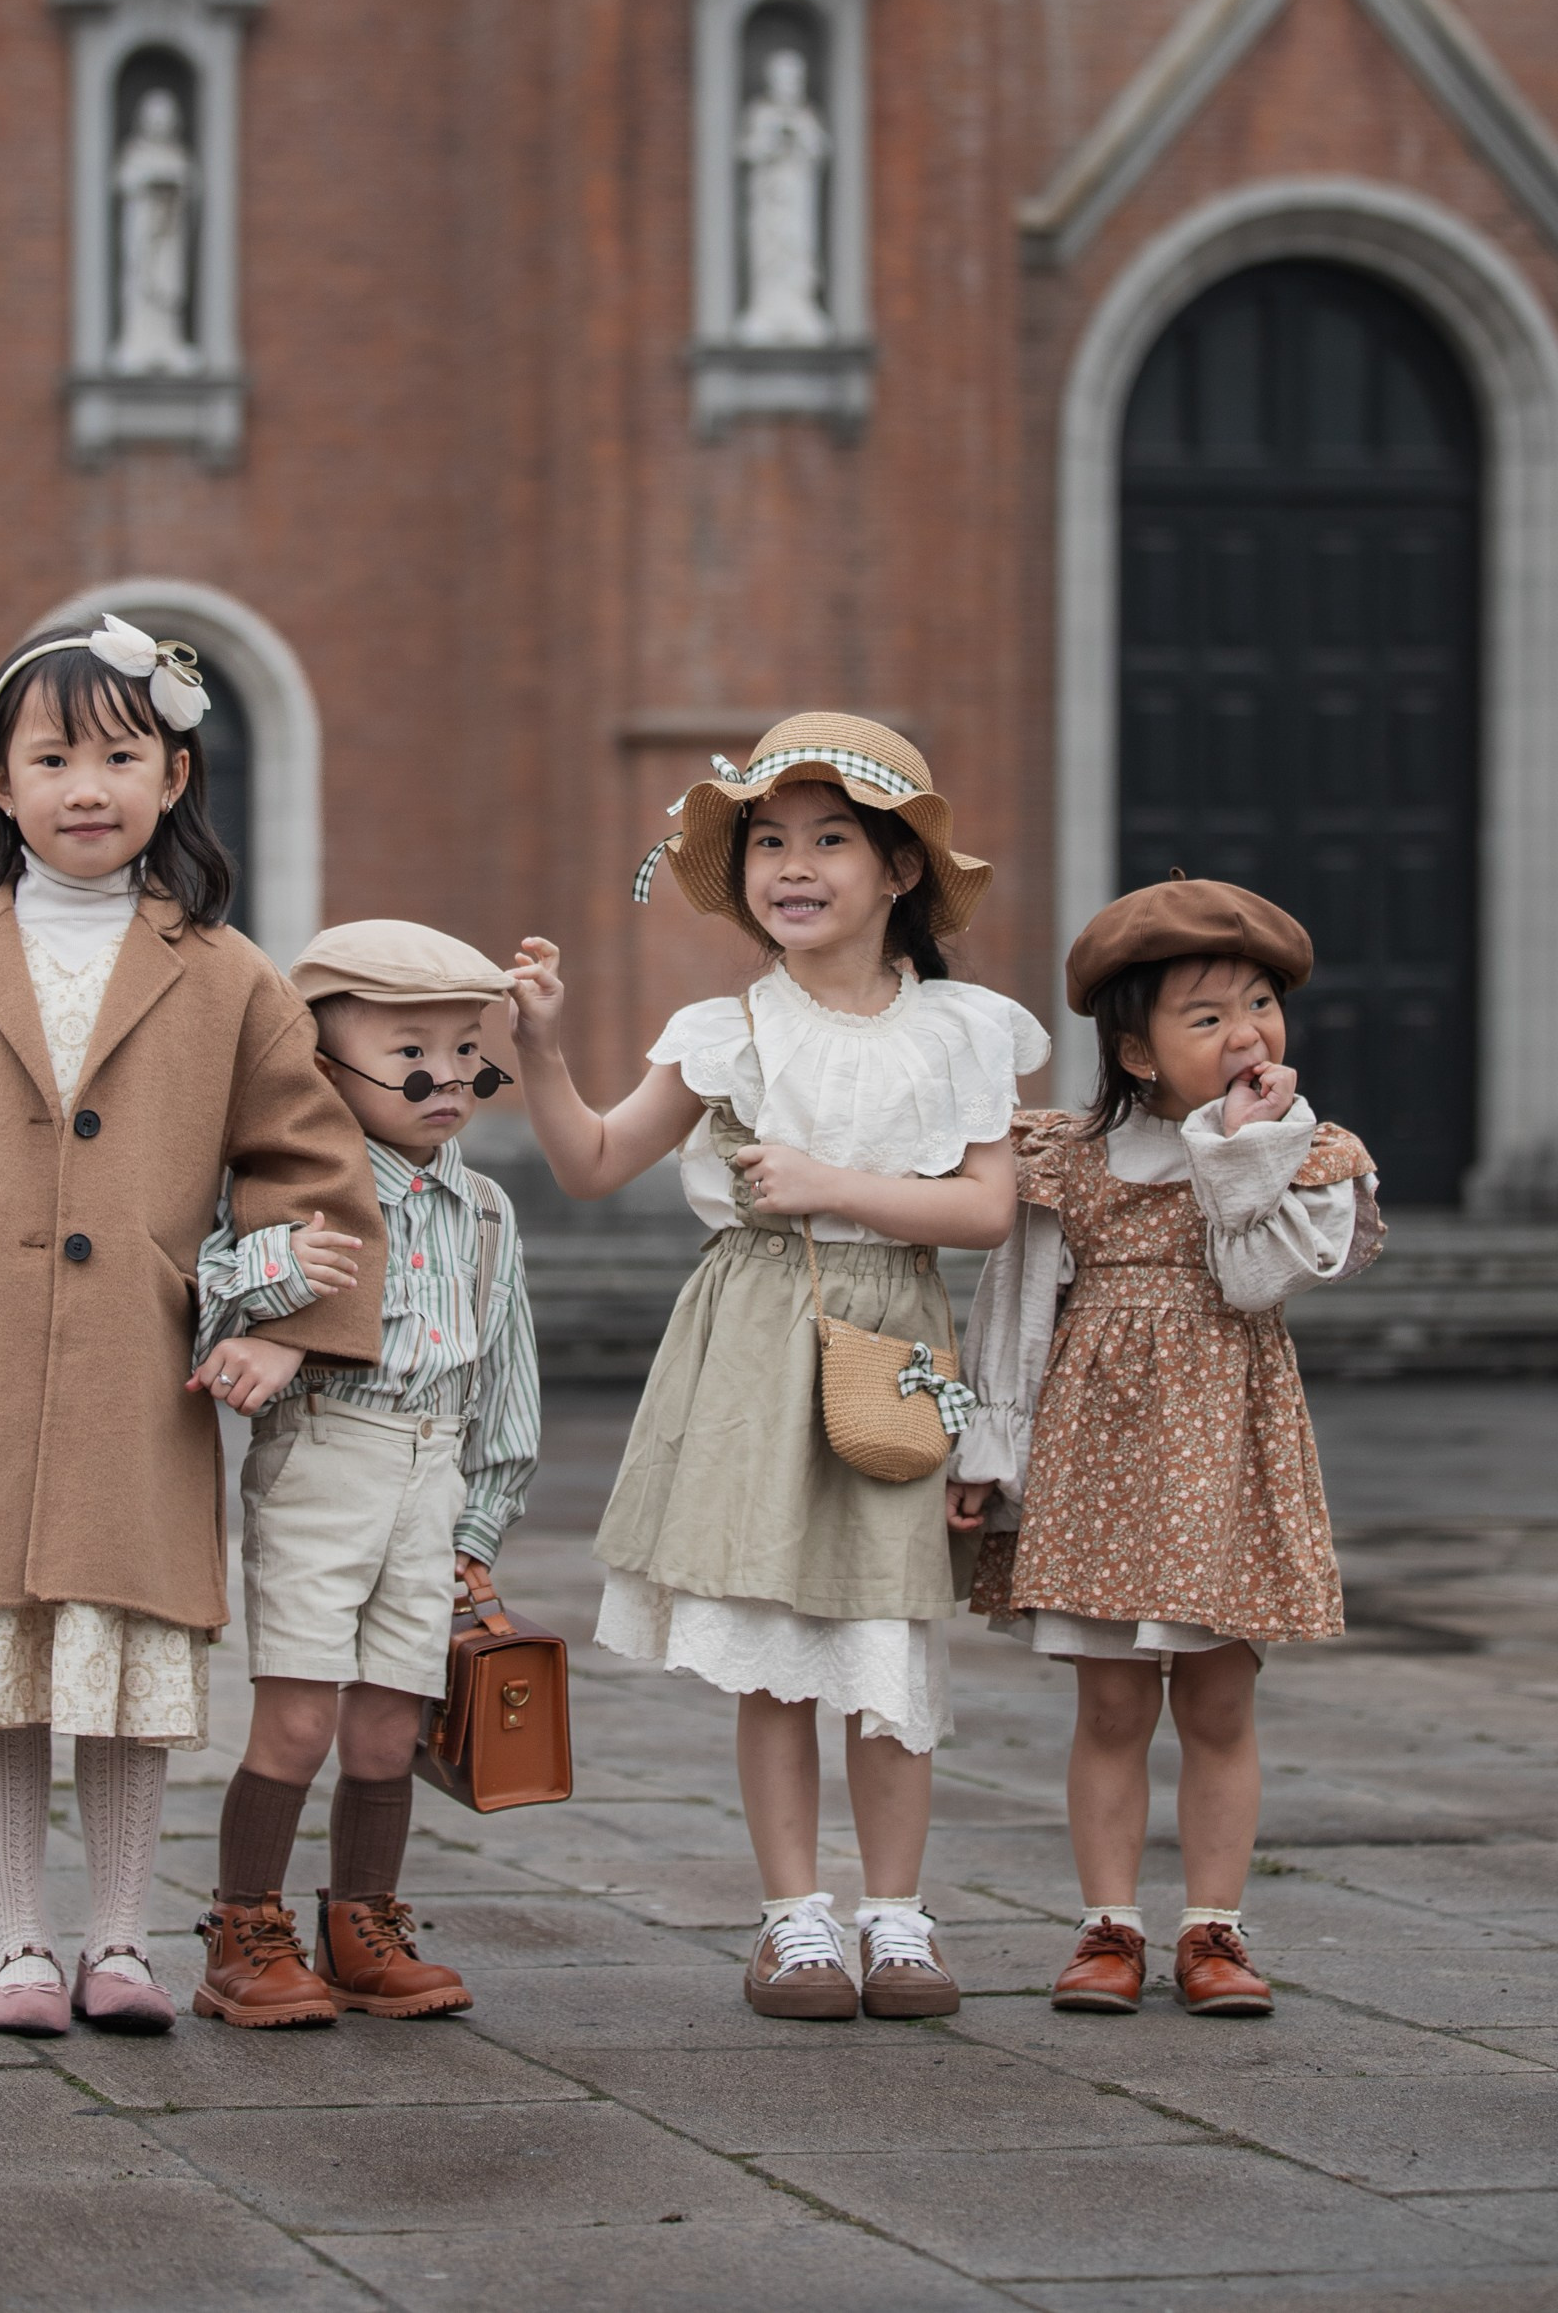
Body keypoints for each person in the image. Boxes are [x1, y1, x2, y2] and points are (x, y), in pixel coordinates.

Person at [0, 616, 382, 2037]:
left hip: (144, 1364)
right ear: (0, 785)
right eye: (51, 756)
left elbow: (317, 1172)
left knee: (126, 1651)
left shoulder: (226, 972)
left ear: (175, 777)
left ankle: (119, 1942)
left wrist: (287, 1330)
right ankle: (15, 1944)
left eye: (120, 756)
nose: (85, 786)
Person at [510, 715, 1046, 2022]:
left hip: (898, 1339)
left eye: (829, 841)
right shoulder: (726, 1028)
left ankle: (900, 1918)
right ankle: (795, 1918)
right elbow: (589, 1162)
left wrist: (828, 1183)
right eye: (767, 843)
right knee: (774, 1647)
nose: (791, 868)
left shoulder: (966, 1030)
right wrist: (537, 1047)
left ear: (900, 870)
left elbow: (987, 1212)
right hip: (753, 1343)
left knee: (888, 1633)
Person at [954, 874, 1383, 2019]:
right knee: (1107, 1707)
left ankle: (1213, 1929)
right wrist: (988, 1448)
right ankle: (1107, 1926)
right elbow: (1015, 1302)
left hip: (1222, 1449)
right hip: (1094, 1452)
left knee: (1217, 1698)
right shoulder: (1066, 1154)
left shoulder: (1305, 1159)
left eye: (1259, 1005)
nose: (1247, 1034)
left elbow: (1252, 1278)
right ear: (1135, 1051)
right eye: (1207, 1017)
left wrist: (1242, 1145)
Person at [191, 919, 541, 2028]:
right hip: (326, 1454)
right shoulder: (293, 1194)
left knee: (392, 1723)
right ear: (322, 1067)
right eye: (407, 1054)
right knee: (296, 1718)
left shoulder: (485, 1210)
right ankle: (244, 1930)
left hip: (434, 1466)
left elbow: (507, 1367)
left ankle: (362, 1922)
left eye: (463, 1047)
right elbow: (204, 1291)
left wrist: (479, 1526)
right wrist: (274, 1273)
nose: (445, 1077)